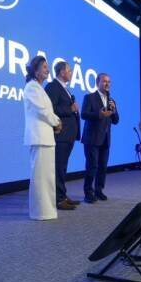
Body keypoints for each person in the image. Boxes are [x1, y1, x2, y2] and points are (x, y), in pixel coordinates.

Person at [23, 56, 61, 220]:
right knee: (40, 178)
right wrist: (57, 121)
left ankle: (47, 211)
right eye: (44, 67)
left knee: (46, 177)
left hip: (46, 138)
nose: (47, 70)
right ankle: (40, 212)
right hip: (39, 138)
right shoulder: (31, 87)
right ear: (36, 69)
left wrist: (55, 122)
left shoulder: (39, 88)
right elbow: (41, 111)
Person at [45, 60, 80, 211]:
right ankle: (59, 200)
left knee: (63, 167)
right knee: (59, 167)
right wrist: (70, 109)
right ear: (61, 72)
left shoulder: (65, 88)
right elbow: (51, 109)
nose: (71, 73)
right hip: (61, 135)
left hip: (69, 135)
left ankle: (63, 195)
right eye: (69, 70)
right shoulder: (53, 86)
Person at [81, 72, 119, 203]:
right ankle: (88, 193)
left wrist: (113, 111)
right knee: (92, 166)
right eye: (104, 81)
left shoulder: (111, 100)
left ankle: (99, 190)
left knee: (103, 166)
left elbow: (116, 120)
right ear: (98, 83)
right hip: (92, 138)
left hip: (106, 138)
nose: (107, 84)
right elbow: (84, 114)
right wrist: (99, 114)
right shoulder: (89, 97)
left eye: (109, 82)